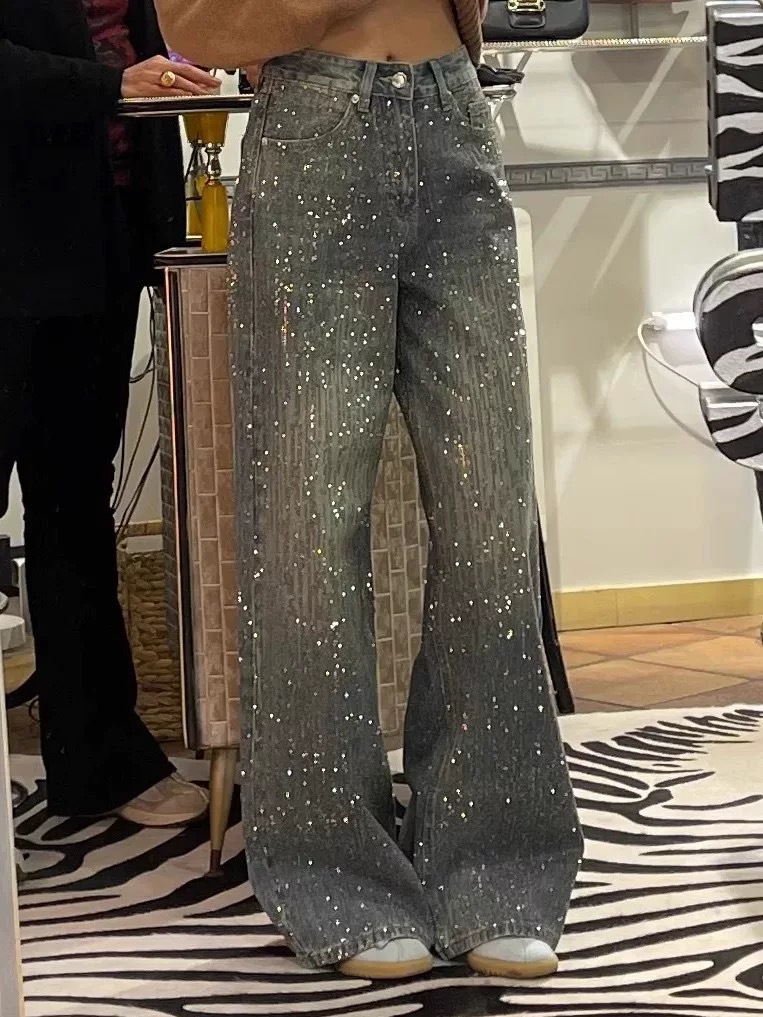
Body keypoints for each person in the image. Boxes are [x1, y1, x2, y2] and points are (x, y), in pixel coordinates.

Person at [158, 0, 583, 981]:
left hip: (455, 112)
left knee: (489, 515)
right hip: (315, 129)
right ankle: (333, 871)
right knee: (307, 523)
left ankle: (495, 857)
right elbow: (195, 26)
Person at [0, 0, 220, 826]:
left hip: (99, 244)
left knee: (75, 514)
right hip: (15, 240)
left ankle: (99, 759)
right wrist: (112, 86)